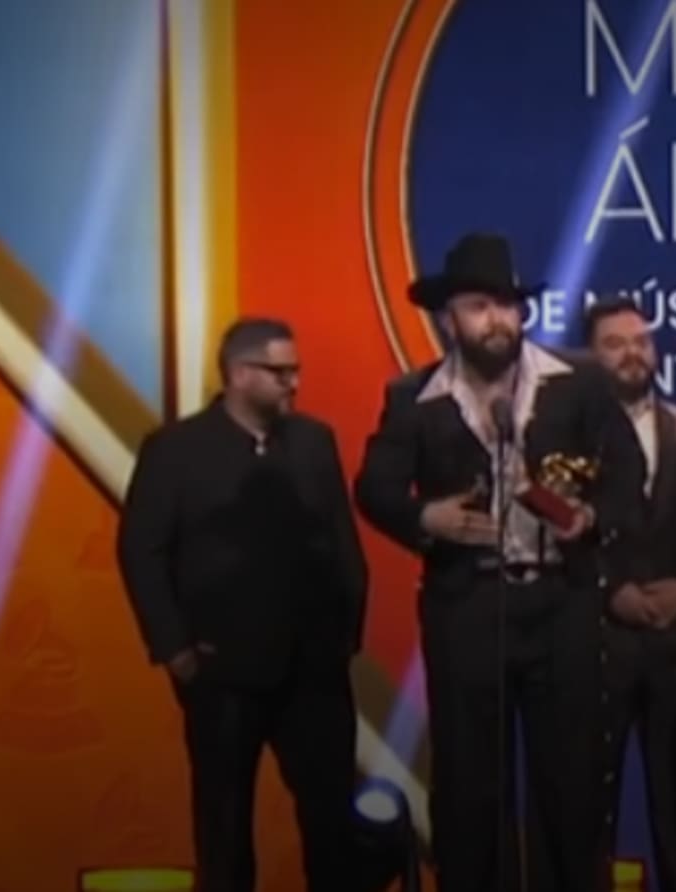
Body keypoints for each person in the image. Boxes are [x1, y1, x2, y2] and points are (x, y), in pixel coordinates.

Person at [353, 233, 648, 892]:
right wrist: (422, 519)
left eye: (509, 305)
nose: (498, 320)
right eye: (481, 307)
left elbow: (627, 472)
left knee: (569, 790)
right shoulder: (414, 398)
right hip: (467, 608)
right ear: (449, 318)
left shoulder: (578, 385)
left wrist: (592, 519)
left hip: (562, 606)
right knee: (468, 791)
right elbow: (372, 487)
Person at [115, 318, 368, 892]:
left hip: (315, 674)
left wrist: (346, 635)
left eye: (296, 370)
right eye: (280, 372)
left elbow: (341, 541)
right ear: (237, 373)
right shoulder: (176, 450)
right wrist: (175, 648)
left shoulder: (313, 440)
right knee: (224, 827)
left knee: (333, 826)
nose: (294, 383)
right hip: (220, 670)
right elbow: (141, 551)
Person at [584, 297, 676, 892]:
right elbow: (557, 526)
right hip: (599, 648)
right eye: (615, 344)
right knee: (590, 808)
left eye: (641, 341)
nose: (632, 353)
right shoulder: (567, 435)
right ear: (589, 359)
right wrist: (608, 589)